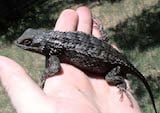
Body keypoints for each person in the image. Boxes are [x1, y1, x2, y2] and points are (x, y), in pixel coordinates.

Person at [0, 6, 142, 113]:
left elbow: (55, 68)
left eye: (29, 43)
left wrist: (44, 76)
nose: (22, 45)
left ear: (41, 43)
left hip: (112, 65)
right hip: (104, 50)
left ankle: (121, 83)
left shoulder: (53, 51)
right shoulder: (57, 39)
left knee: (110, 79)